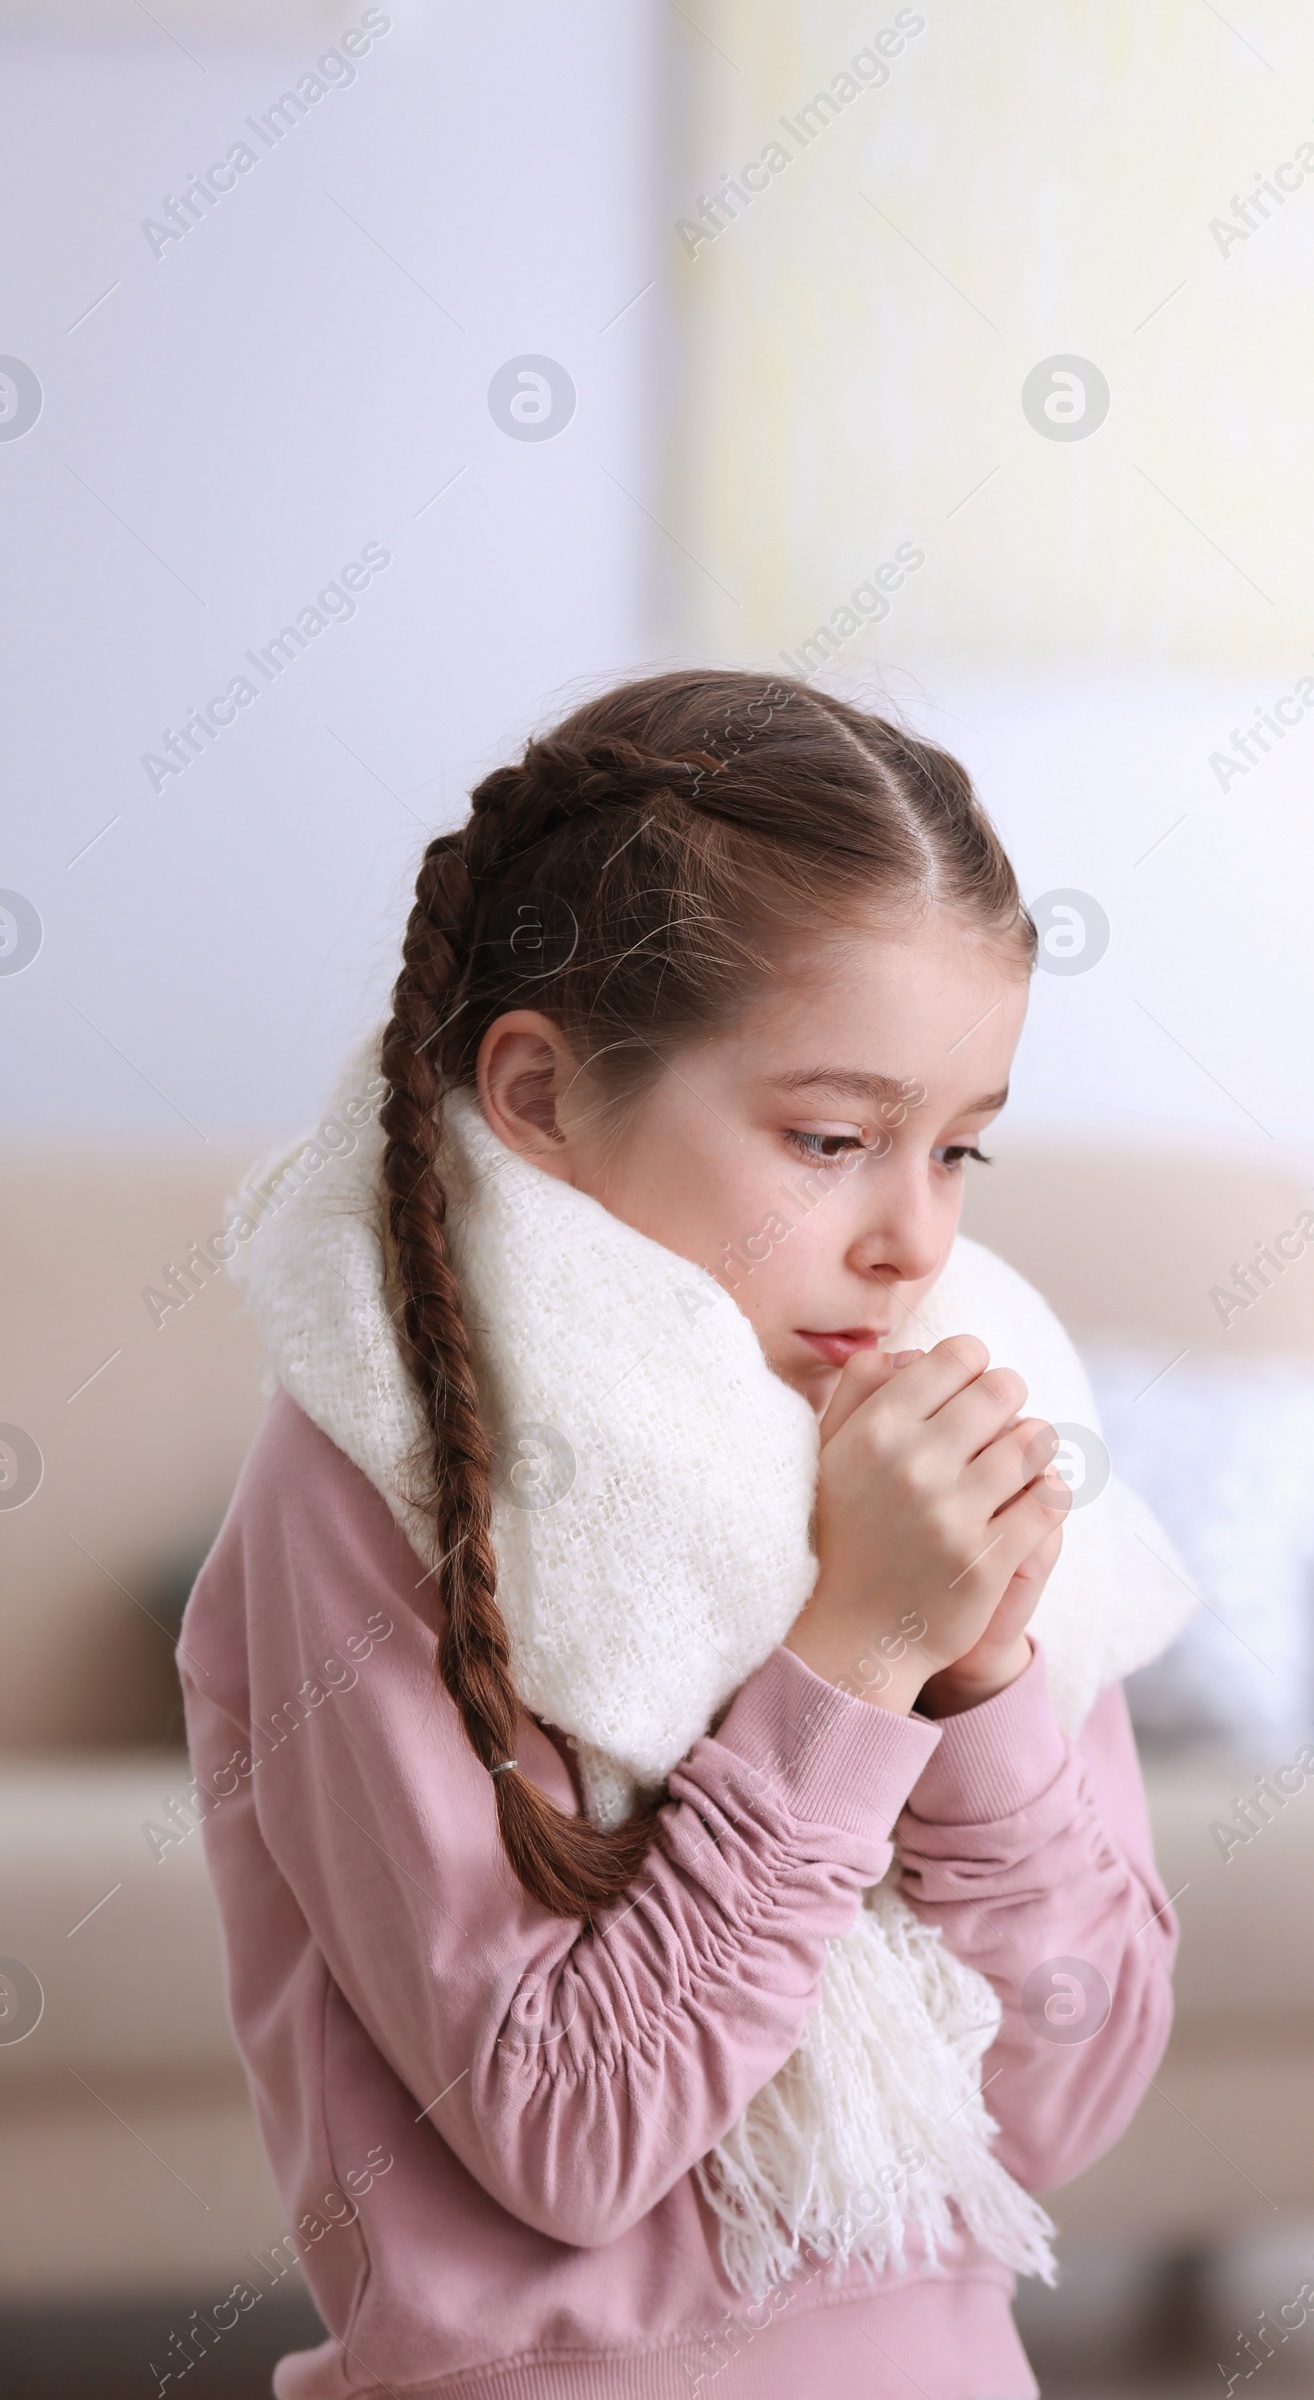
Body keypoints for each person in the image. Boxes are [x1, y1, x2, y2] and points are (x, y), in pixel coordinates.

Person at [180, 669, 1178, 2400]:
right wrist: (857, 1657)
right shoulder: (381, 1482)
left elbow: (1062, 2105)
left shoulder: (949, 1430)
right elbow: (566, 2142)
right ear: (546, 1097)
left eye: (961, 1152)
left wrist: (981, 1671)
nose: (911, 1239)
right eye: (832, 1139)